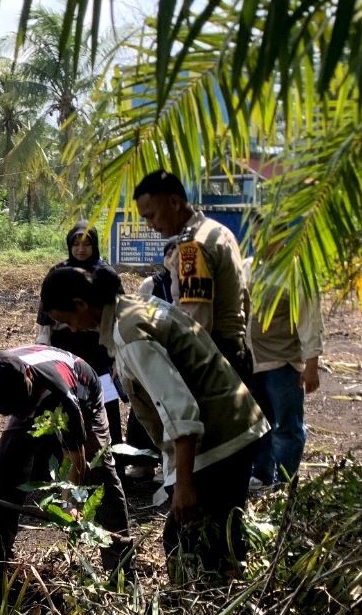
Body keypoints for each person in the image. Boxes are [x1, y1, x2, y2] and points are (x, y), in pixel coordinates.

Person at [41, 266, 267, 578]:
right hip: (231, 427)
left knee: (197, 546)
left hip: (220, 441)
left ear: (81, 304)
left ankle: (214, 598)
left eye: (68, 321)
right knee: (205, 541)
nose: (73, 330)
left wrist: (184, 485)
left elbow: (180, 410)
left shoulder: (130, 331)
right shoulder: (134, 308)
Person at [0, 346, 131, 573]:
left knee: (99, 470)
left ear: (27, 377)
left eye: (23, 406)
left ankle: (120, 564)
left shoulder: (62, 393)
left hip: (83, 393)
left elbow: (74, 455)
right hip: (35, 391)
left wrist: (68, 503)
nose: (29, 416)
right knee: (7, 464)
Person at [133, 170, 250, 381]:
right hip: (235, 352)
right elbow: (245, 298)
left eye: (151, 215)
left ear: (175, 202)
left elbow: (196, 323)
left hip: (211, 362)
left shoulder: (192, 247)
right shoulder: (218, 231)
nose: (150, 224)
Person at [34, 221, 124, 444]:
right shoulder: (58, 273)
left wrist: (117, 358)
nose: (81, 249)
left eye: (86, 244)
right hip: (65, 350)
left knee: (106, 406)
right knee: (66, 404)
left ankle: (112, 461)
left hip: (99, 350)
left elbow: (118, 318)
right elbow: (46, 318)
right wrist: (43, 351)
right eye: (75, 244)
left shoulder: (106, 276)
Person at [244, 244, 324, 488]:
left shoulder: (297, 272)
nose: (262, 242)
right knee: (259, 421)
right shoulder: (248, 268)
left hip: (284, 362)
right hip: (252, 360)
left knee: (287, 425)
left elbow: (310, 319)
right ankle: (263, 472)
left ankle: (284, 479)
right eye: (258, 236)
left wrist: (312, 364)